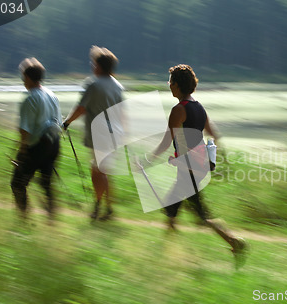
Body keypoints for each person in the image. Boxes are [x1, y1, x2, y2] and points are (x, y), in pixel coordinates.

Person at [148, 64, 247, 267]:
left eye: (170, 82)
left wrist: (148, 160)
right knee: (172, 209)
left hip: (188, 171)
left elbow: (167, 141)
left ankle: (234, 241)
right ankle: (169, 254)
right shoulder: (199, 107)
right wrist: (214, 161)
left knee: (199, 215)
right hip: (197, 168)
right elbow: (214, 135)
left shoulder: (178, 110)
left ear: (176, 85)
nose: (169, 86)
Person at [63, 46, 124, 221]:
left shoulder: (93, 84)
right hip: (114, 133)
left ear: (99, 66)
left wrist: (67, 122)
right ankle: (108, 207)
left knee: (98, 171)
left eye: (93, 62)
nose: (91, 65)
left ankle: (99, 208)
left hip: (99, 134)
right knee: (104, 170)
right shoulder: (117, 86)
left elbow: (81, 108)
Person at [11, 58, 62, 220]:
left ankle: (24, 220)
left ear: (26, 77)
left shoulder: (29, 98)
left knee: (17, 183)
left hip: (37, 145)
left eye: (22, 76)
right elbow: (58, 122)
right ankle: (51, 217)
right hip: (54, 143)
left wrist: (21, 152)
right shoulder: (51, 94)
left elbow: (24, 130)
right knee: (46, 182)